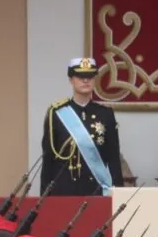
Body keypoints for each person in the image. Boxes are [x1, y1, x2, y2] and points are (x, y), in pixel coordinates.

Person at [41, 58, 124, 196]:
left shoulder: (105, 114)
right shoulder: (56, 113)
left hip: (97, 189)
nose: (85, 81)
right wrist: (44, 196)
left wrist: (119, 193)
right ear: (71, 80)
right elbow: (48, 159)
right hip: (64, 190)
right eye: (80, 77)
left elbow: (113, 157)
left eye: (90, 76)